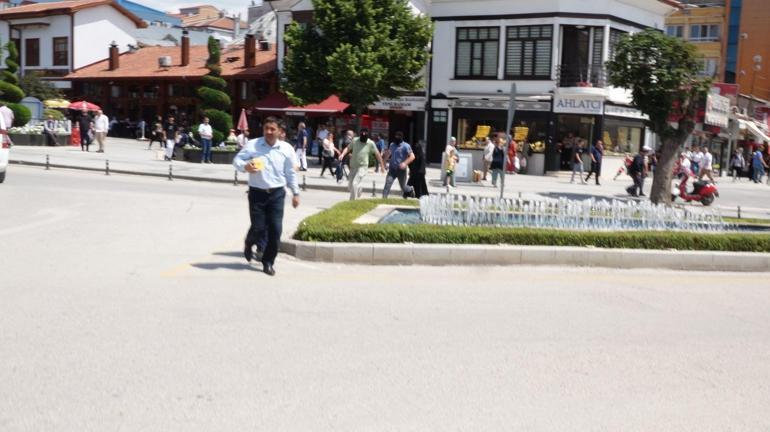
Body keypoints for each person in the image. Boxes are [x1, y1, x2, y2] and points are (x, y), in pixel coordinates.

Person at [233, 116, 300, 276]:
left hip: (277, 194)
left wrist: (295, 193)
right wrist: (245, 167)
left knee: (276, 231)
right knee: (258, 227)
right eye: (266, 129)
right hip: (257, 193)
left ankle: (268, 261)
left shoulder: (286, 148)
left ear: (279, 131)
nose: (269, 132)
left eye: (272, 129)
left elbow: (290, 172)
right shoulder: (253, 145)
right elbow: (237, 160)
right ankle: (249, 243)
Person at [338, 128, 385, 200]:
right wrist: (342, 154)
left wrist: (382, 166)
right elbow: (348, 148)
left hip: (363, 167)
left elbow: (377, 154)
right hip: (353, 166)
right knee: (350, 186)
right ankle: (359, 188)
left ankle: (352, 202)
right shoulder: (355, 140)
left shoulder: (370, 143)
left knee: (354, 184)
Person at [382, 131, 415, 198]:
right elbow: (388, 153)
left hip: (401, 170)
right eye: (396, 136)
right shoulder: (392, 145)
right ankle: (383, 199)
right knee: (387, 184)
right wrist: (384, 162)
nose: (397, 138)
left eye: (398, 137)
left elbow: (412, 156)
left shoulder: (406, 146)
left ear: (402, 138)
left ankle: (410, 189)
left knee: (403, 187)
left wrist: (405, 163)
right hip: (392, 169)